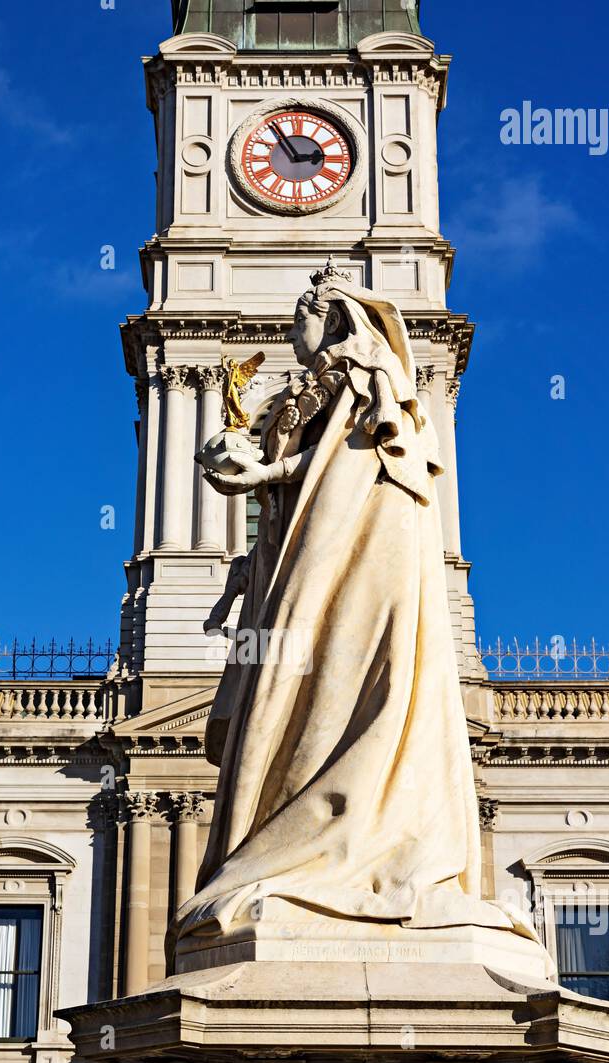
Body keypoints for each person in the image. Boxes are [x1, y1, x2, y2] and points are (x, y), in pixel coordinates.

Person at [167, 263, 535, 972]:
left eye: (297, 323)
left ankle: (352, 852)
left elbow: (352, 465)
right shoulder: (313, 388)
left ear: (326, 316)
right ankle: (295, 855)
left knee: (347, 678)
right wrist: (239, 469)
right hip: (300, 567)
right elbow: (301, 486)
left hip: (359, 560)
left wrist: (263, 474)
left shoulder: (369, 372)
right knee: (290, 704)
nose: (289, 336)